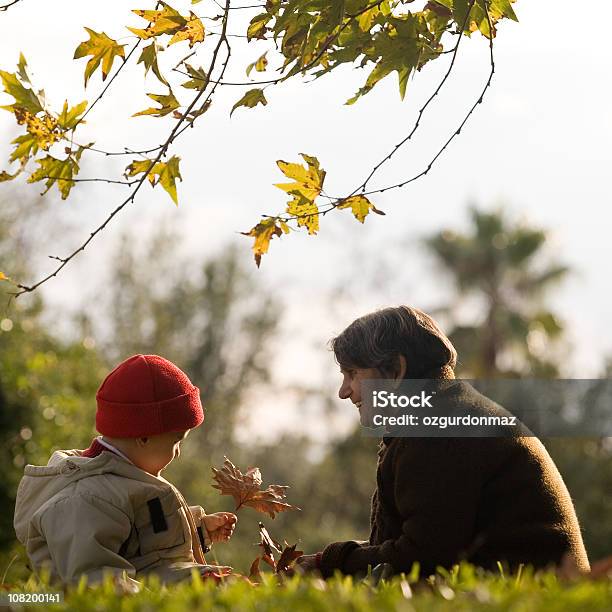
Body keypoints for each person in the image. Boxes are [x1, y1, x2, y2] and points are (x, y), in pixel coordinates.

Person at [296, 306, 590, 578]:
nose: (344, 391)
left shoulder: (440, 429)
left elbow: (423, 559)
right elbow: (419, 544)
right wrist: (331, 560)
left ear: (396, 371)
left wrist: (331, 563)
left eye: (353, 374)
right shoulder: (441, 415)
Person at [13, 354, 237, 592]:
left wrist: (198, 530)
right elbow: (96, 582)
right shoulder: (88, 500)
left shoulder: (126, 482)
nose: (178, 453)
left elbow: (146, 545)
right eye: (176, 442)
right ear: (143, 436)